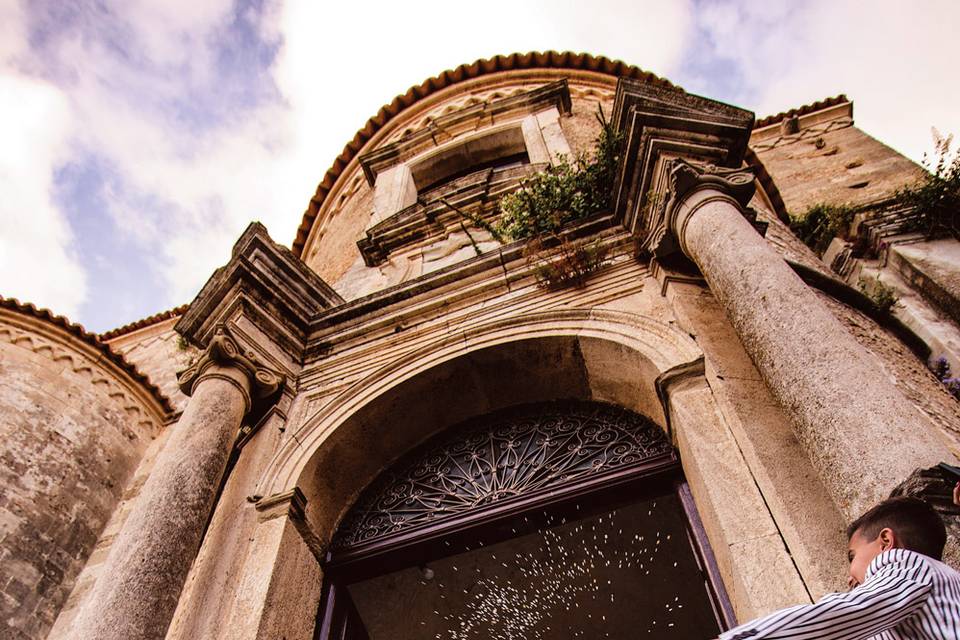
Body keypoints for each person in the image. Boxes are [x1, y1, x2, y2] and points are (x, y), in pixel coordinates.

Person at [716, 495, 960, 640]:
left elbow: (844, 614)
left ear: (886, 542)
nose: (850, 578)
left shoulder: (910, 567)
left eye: (852, 557)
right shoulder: (931, 596)